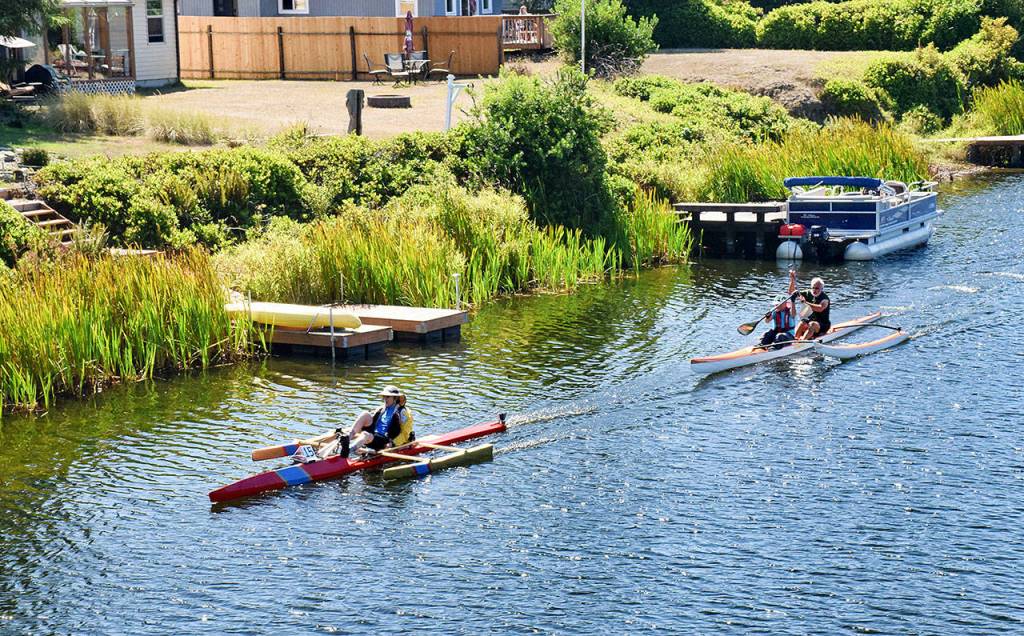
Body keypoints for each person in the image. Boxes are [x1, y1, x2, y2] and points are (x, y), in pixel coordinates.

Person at [318, 386, 414, 459]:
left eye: (387, 397)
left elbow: (405, 433)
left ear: (395, 398)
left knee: (365, 434)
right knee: (365, 414)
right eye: (384, 397)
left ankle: (348, 451)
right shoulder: (381, 408)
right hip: (373, 435)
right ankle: (348, 437)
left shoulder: (403, 412)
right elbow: (369, 420)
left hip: (385, 439)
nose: (385, 399)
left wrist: (393, 444)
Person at [760, 270, 797, 346]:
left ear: (784, 304)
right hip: (777, 333)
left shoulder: (789, 310)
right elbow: (767, 321)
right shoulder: (774, 311)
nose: (777, 306)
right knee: (766, 334)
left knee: (780, 336)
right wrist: (767, 317)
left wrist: (793, 302)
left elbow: (793, 314)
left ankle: (774, 348)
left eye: (779, 305)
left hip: (788, 335)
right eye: (776, 305)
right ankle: (762, 346)